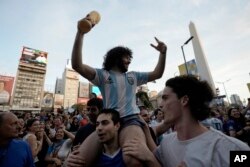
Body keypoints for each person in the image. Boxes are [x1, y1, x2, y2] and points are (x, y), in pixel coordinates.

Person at [71, 13, 167, 167]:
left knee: (133, 159)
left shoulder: (133, 76)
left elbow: (158, 74)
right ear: (116, 57)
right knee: (77, 162)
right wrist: (80, 33)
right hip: (108, 122)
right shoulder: (102, 75)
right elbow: (77, 65)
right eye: (127, 57)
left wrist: (163, 53)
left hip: (131, 121)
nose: (129, 60)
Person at [123, 75, 250, 167]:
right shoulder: (167, 143)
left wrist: (150, 159)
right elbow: (156, 155)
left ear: (184, 100)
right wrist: (145, 129)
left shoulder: (235, 149)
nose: (160, 105)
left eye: (165, 98)